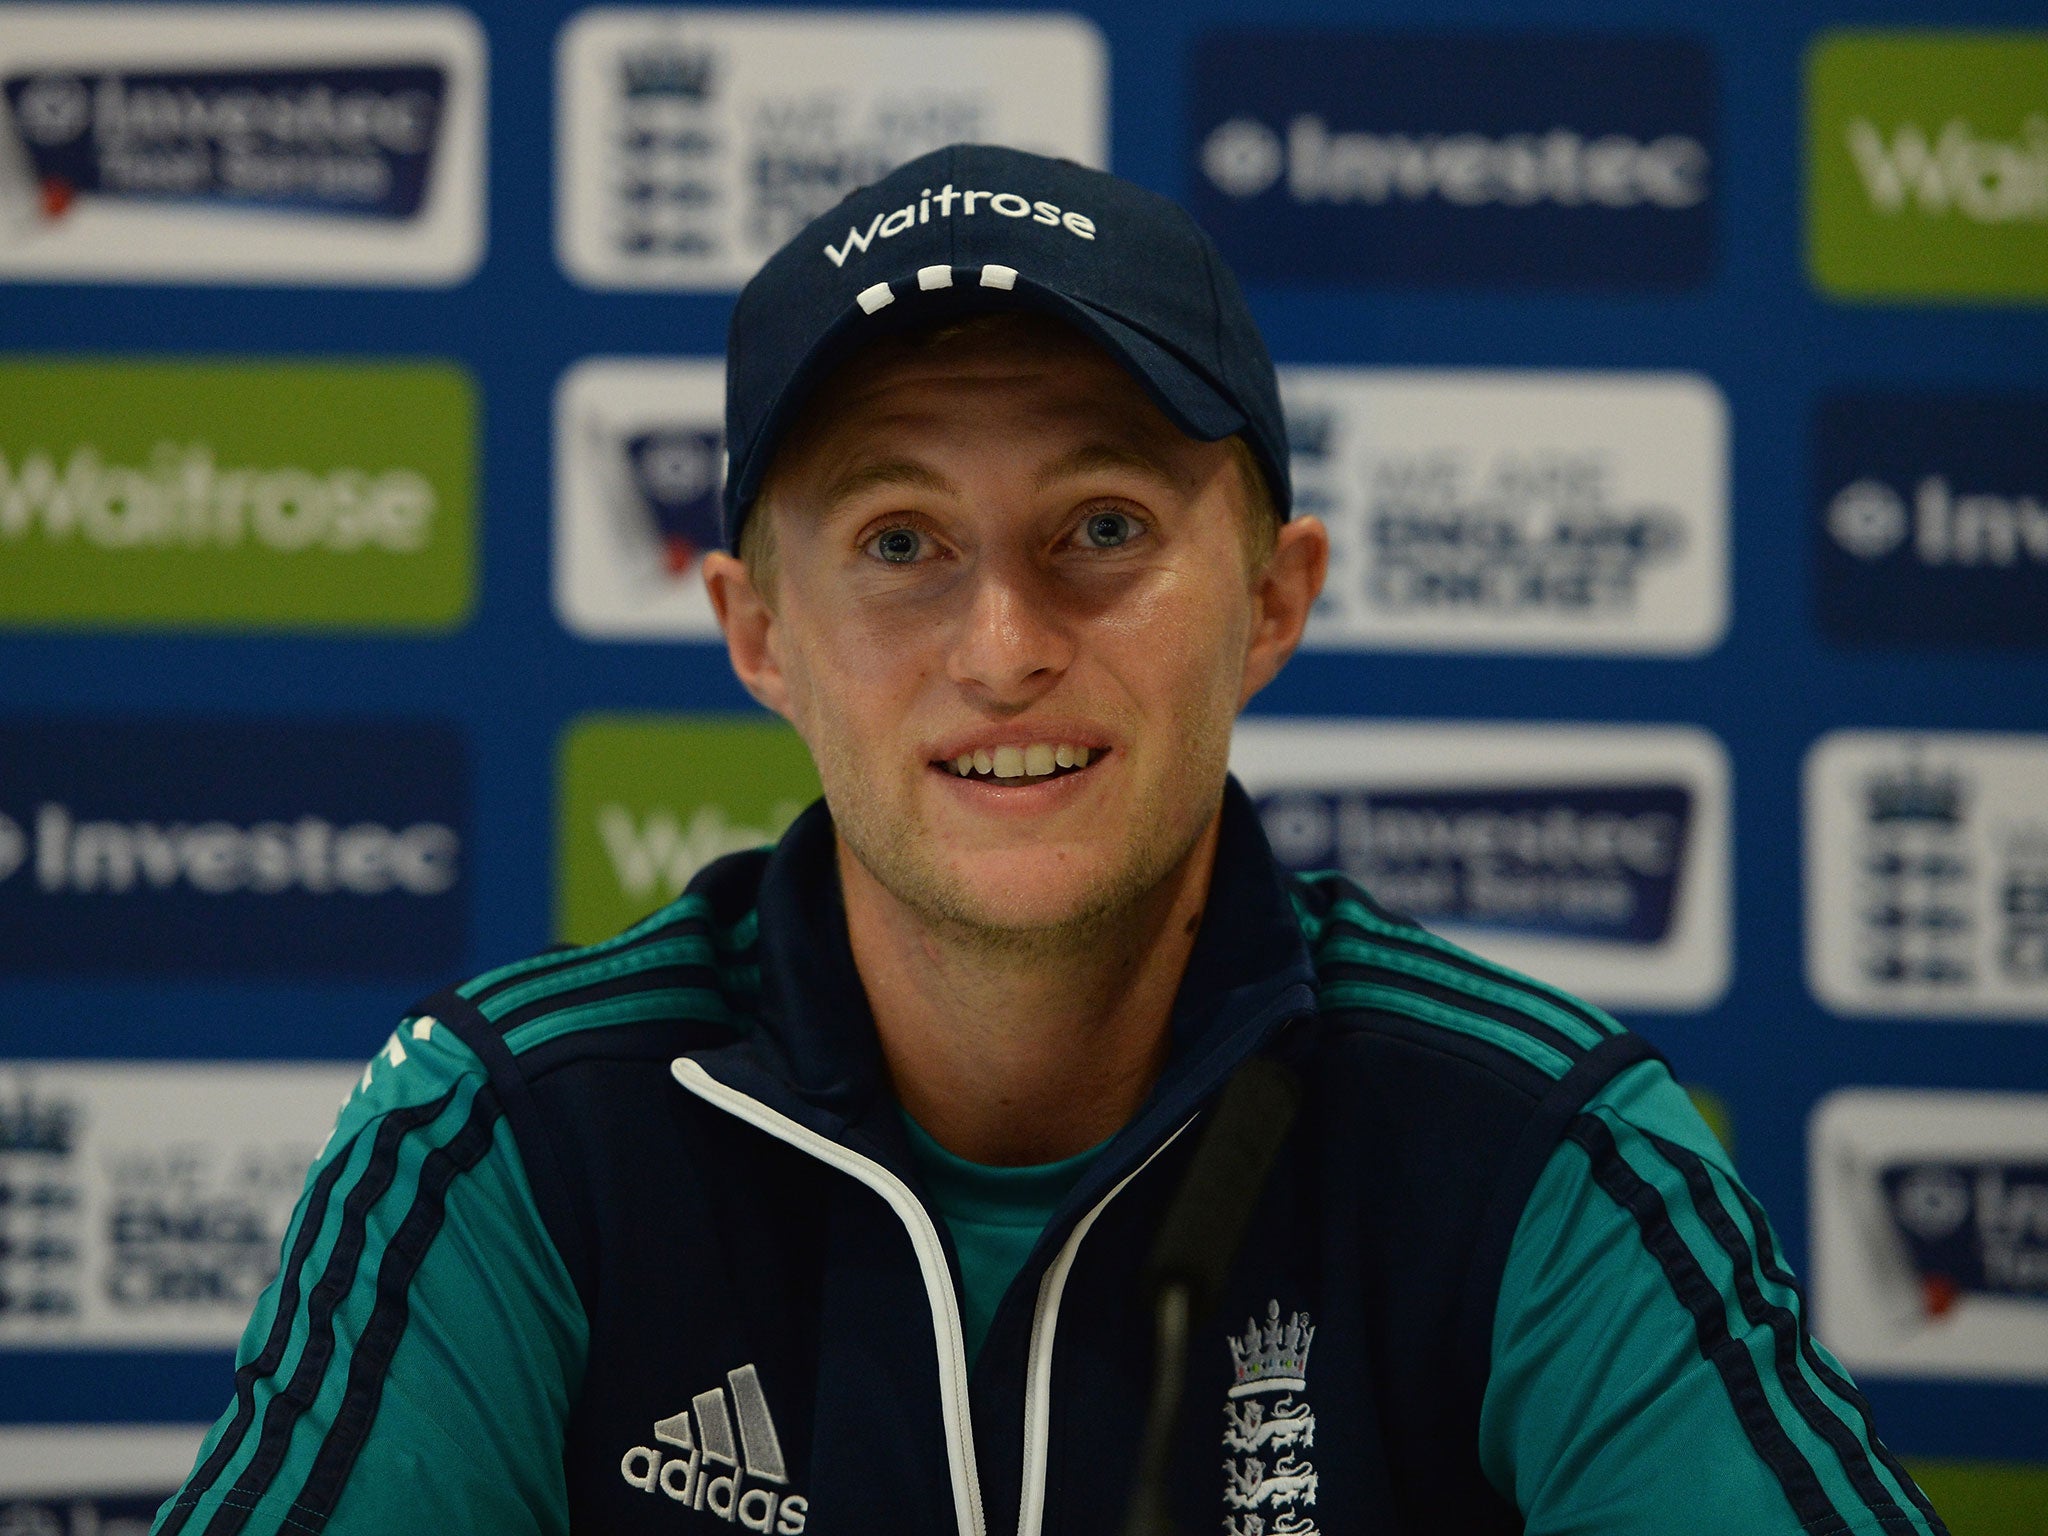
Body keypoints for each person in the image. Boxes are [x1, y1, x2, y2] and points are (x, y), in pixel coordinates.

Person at [153, 145, 1945, 1536]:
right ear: (756, 630)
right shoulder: (515, 1136)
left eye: (1100, 522)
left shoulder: (1532, 1151)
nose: (1004, 644)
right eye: (899, 540)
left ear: (1270, 600)